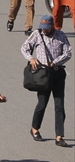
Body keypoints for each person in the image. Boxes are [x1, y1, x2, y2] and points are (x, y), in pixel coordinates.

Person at [22, 14, 70, 146]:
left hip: (58, 73)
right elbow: (24, 48)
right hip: (43, 75)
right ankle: (34, 128)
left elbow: (68, 52)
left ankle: (59, 136)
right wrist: (31, 58)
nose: (44, 30)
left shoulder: (61, 36)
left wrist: (55, 62)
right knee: (42, 103)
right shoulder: (37, 35)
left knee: (59, 105)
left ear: (53, 25)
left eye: (47, 28)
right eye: (43, 27)